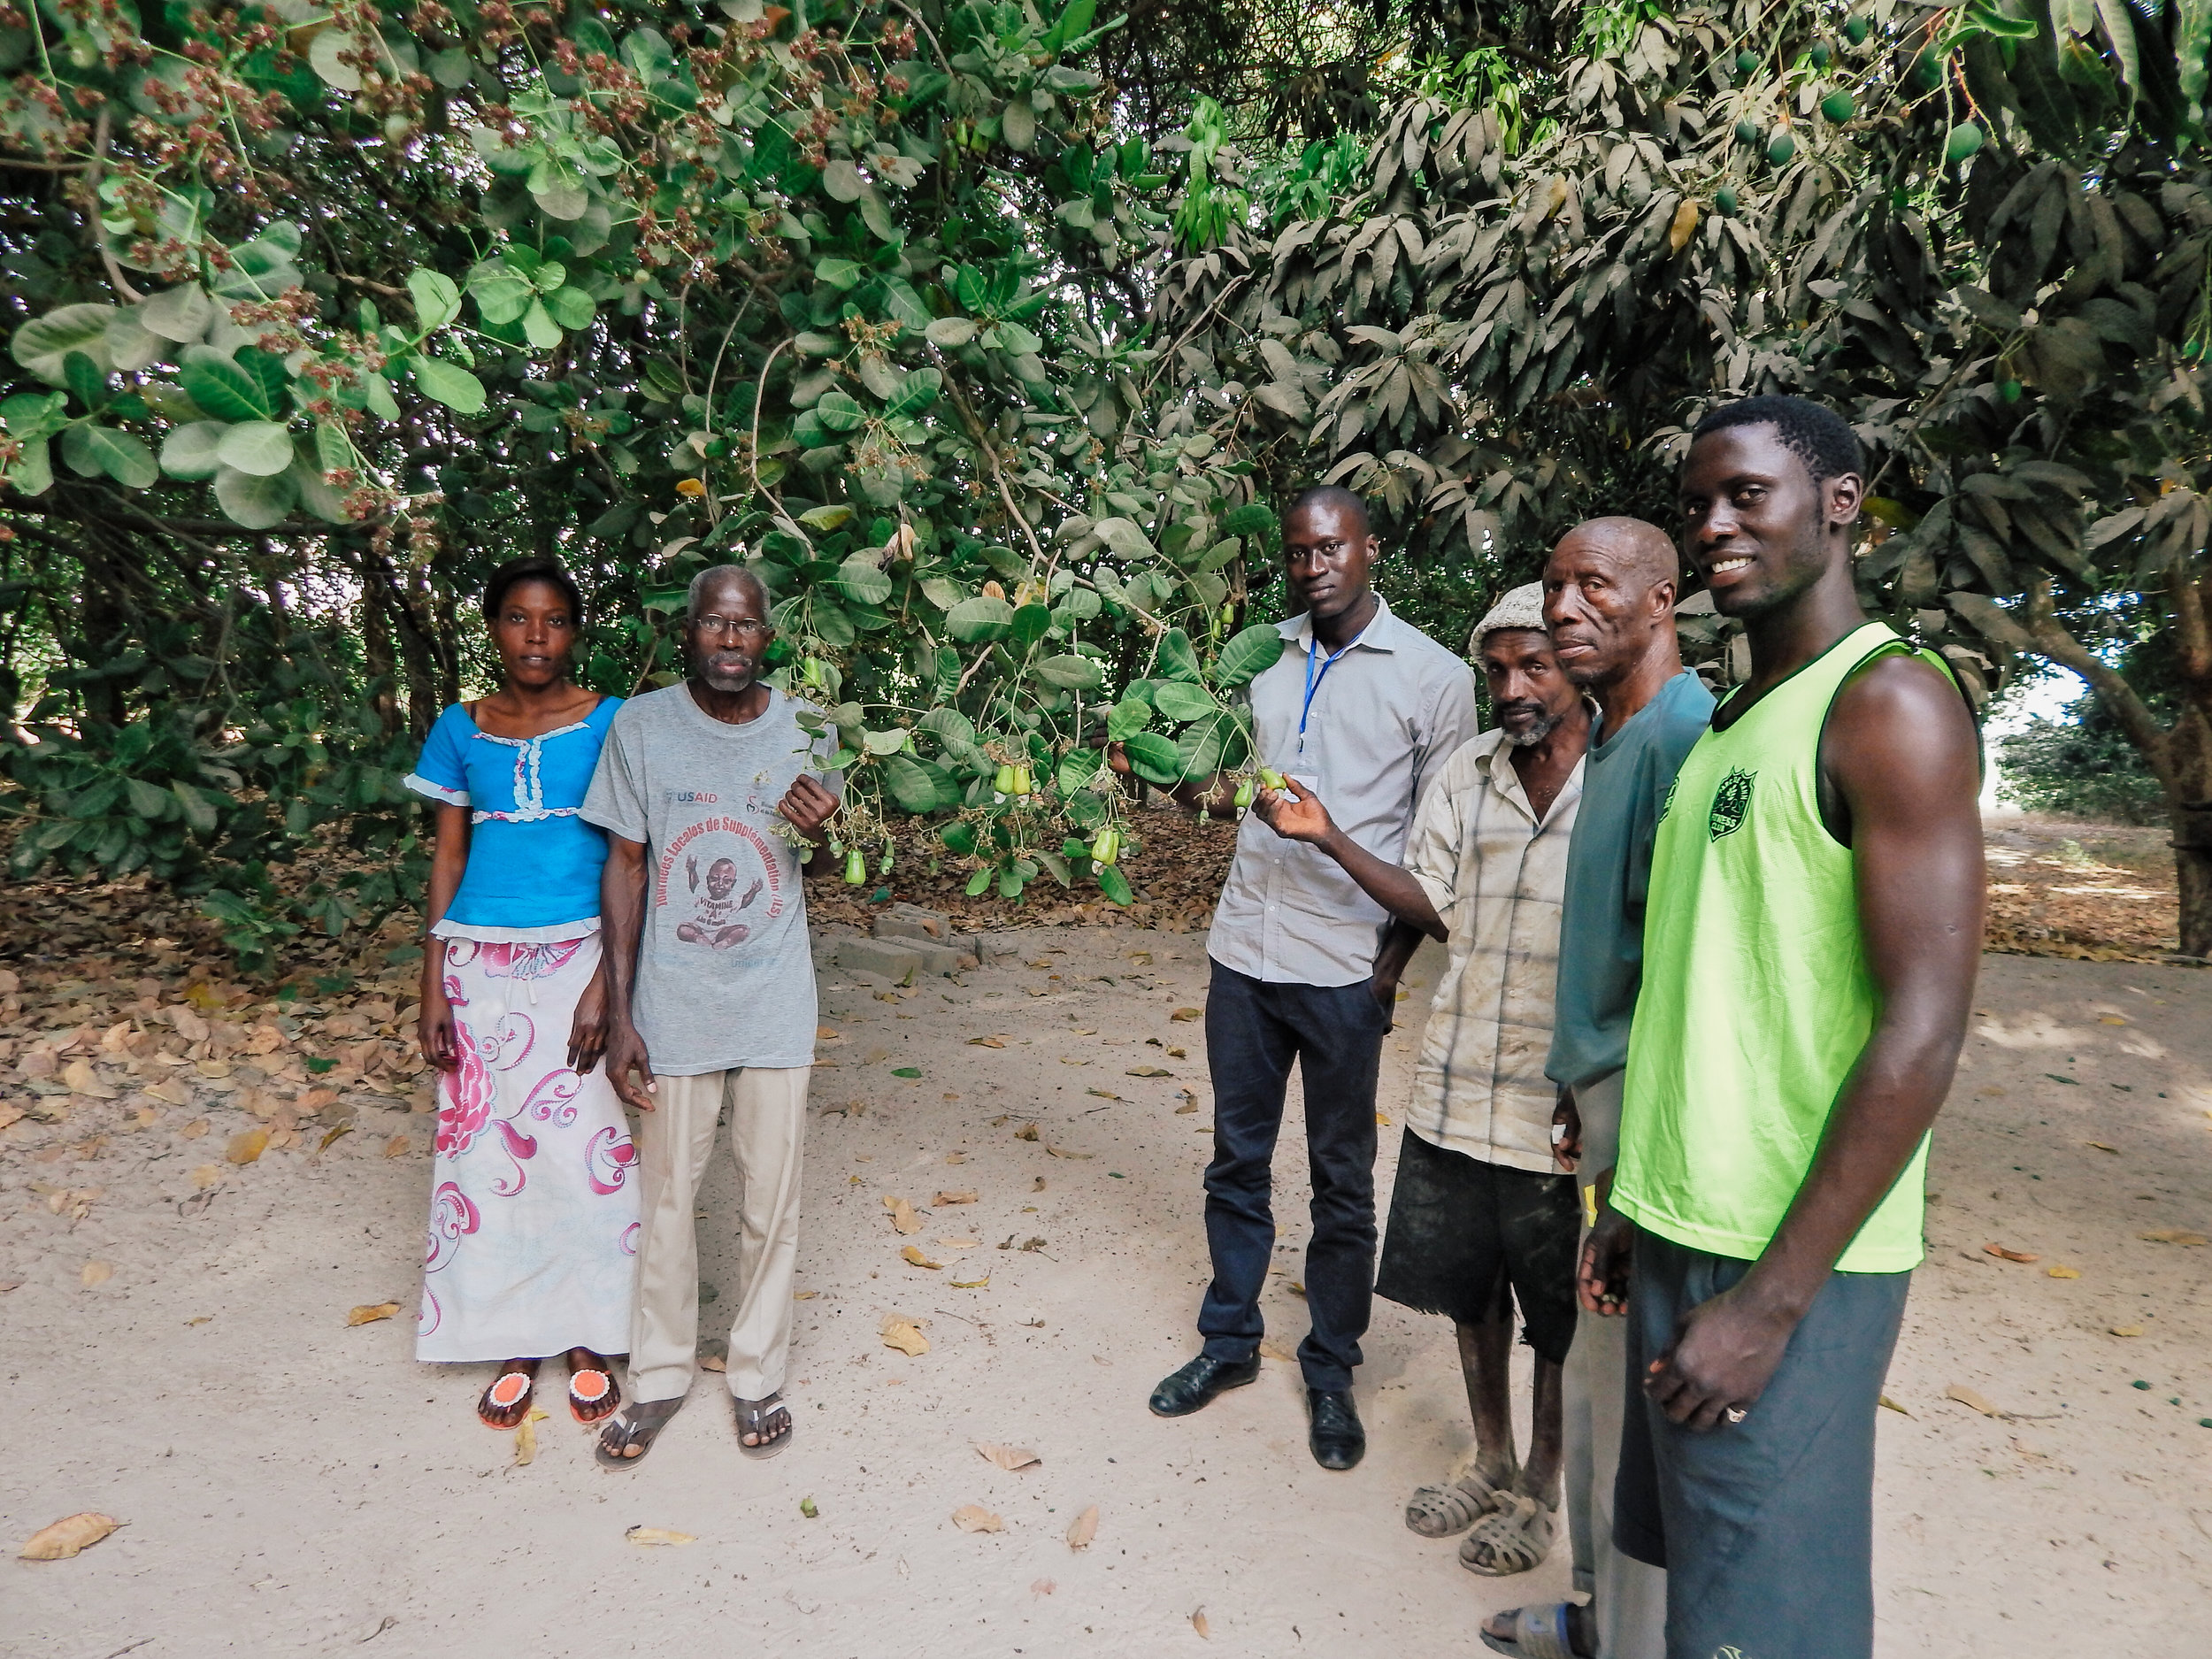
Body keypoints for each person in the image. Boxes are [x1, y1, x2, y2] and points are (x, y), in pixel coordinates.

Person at [1579, 396, 1984, 1659]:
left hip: (1786, 1261)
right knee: (1700, 1585)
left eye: (1746, 493)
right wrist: (1637, 1204)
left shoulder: (1890, 705)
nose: (1712, 524)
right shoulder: (1732, 725)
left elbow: (1923, 1029)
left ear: (1842, 504)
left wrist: (1770, 1301)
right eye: (1698, 502)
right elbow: (1714, 989)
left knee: (1768, 1624)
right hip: (1686, 1227)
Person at [1133, 486, 1479, 1471]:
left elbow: (1437, 854)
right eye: (1296, 553)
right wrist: (1158, 764)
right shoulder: (1260, 659)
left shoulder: (1434, 677)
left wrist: (1388, 970)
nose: (1313, 567)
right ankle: (1229, 1344)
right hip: (1244, 951)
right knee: (1235, 1161)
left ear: (1370, 549)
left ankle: (1331, 1371)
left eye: (1330, 548)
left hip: (1342, 969)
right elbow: (1227, 789)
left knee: (1341, 1183)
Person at [1254, 581, 1591, 1581]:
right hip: (1461, 1075)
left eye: (1535, 665)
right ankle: (1487, 1459)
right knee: (1469, 1290)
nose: (1513, 687)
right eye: (1497, 671)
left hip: (1558, 1095)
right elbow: (1429, 897)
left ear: (1577, 665)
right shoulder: (1469, 772)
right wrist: (1329, 840)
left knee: (1557, 1312)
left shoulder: (1622, 778)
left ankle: (1541, 1487)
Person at [1481, 521, 1709, 1659]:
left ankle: (1628, 1635)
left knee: (1630, 1397)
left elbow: (1685, 973)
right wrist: (1577, 1077)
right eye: (1554, 585)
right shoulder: (1618, 736)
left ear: (1662, 598)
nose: (1563, 607)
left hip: (1652, 1118)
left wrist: (1629, 1166)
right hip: (1604, 1096)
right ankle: (1596, 1615)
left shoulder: (1684, 737)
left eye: (1593, 587)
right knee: (1597, 1379)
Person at [582, 565, 840, 1467]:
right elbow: (624, 866)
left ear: (768, 636)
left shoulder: (811, 727)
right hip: (673, 1001)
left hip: (773, 998)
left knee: (772, 1200)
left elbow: (837, 868)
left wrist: (830, 833)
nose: (729, 642)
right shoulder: (643, 727)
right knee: (667, 1200)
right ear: (686, 632)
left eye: (747, 627)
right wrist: (619, 1010)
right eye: (712, 625)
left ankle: (755, 1369)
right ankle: (656, 1377)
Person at [405, 555, 635, 1430]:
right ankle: (514, 1335)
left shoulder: (613, 723)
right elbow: (449, 858)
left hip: (579, 952)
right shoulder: (461, 727)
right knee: (489, 1157)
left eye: (554, 621)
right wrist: (434, 983)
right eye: (515, 618)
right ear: (492, 627)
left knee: (586, 1149)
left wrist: (606, 987)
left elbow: (628, 857)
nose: (535, 636)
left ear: (577, 632)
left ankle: (586, 1334)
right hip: (478, 963)